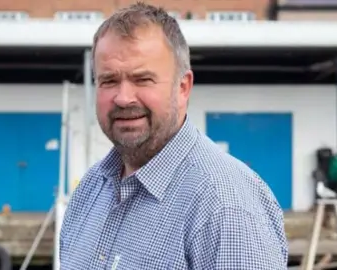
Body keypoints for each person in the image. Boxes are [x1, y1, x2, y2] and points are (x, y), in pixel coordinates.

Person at [59, 2, 288, 269]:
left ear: (182, 88)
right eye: (109, 81)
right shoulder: (91, 189)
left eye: (142, 79)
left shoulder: (225, 207)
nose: (123, 98)